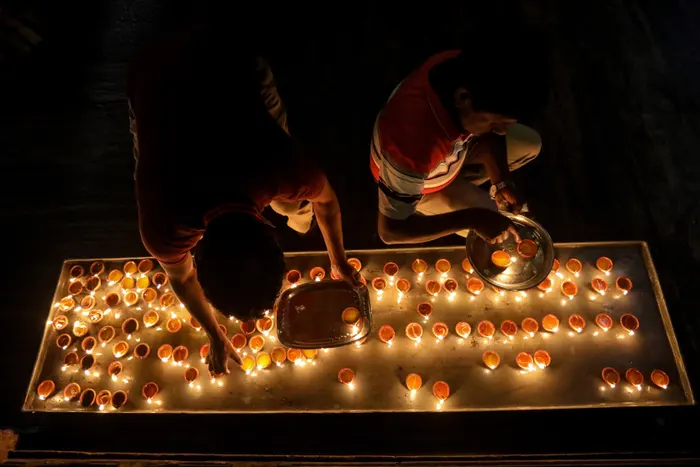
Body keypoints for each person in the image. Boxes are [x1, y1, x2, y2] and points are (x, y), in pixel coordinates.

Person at [128, 26, 360, 376]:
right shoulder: (164, 215)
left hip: (230, 66)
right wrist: (214, 333)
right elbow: (182, 279)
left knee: (300, 206)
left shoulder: (283, 167)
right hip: (156, 86)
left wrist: (339, 262)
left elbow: (324, 201)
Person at [370, 49, 545, 244]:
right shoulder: (408, 146)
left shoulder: (463, 67)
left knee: (530, 143)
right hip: (424, 184)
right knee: (499, 230)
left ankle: (462, 182)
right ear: (463, 98)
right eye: (495, 124)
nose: (502, 132)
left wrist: (502, 180)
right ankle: (414, 201)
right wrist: (473, 218)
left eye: (505, 123)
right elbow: (390, 231)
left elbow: (491, 129)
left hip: (453, 151)